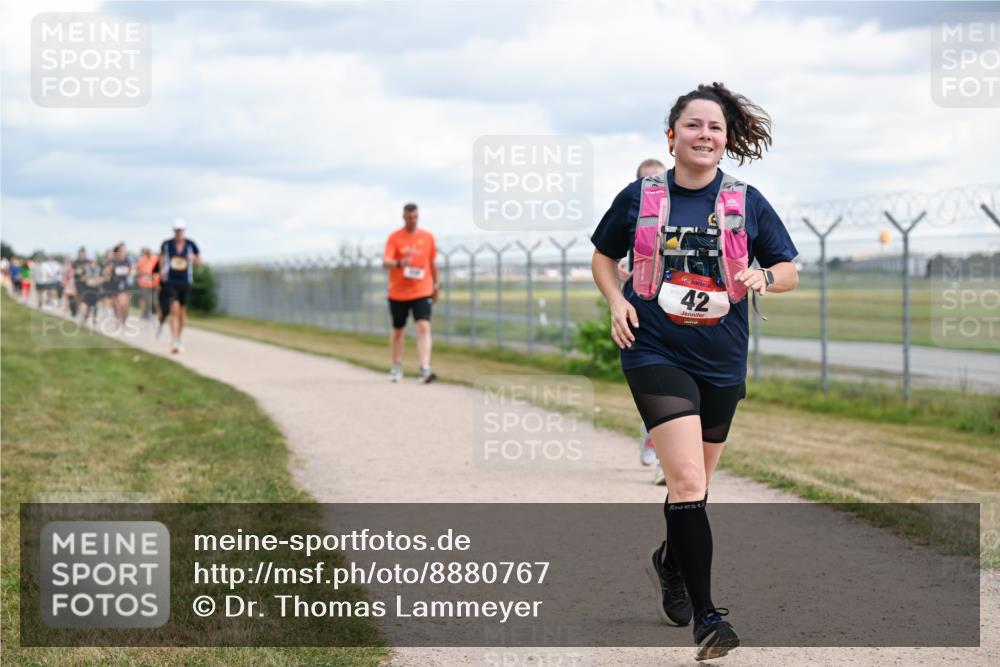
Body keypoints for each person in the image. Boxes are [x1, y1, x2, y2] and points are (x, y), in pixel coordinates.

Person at [590, 82, 799, 661]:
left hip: (722, 357)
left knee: (696, 487)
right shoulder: (640, 196)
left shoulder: (746, 201)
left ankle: (669, 561)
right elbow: (604, 256)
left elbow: (788, 269)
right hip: (653, 348)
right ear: (671, 136)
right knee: (684, 480)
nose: (704, 135)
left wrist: (764, 277)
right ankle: (709, 619)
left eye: (714, 128)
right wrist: (616, 301)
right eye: (693, 125)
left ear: (725, 140)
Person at [382, 202, 439, 383]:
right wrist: (399, 263)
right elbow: (385, 262)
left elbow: (432, 263)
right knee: (398, 329)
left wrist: (436, 285)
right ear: (403, 217)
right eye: (409, 217)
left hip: (422, 289)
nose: (413, 220)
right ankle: (396, 366)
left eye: (415, 217)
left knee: (423, 326)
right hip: (398, 291)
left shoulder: (428, 237)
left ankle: (425, 368)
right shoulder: (395, 238)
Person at [159, 219, 202, 353]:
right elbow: (161, 259)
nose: (179, 233)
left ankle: (179, 337)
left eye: (181, 230)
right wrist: (161, 270)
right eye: (177, 230)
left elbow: (200, 262)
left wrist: (193, 258)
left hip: (185, 281)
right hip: (171, 281)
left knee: (182, 312)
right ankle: (174, 340)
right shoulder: (166, 244)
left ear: (184, 231)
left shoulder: (191, 245)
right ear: (174, 231)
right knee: (174, 309)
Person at [105, 243, 133, 326]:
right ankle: (118, 319)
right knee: (116, 304)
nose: (123, 252)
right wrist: (108, 272)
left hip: (124, 284)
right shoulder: (113, 261)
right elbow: (106, 271)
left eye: (124, 250)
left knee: (124, 304)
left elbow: (132, 270)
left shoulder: (127, 260)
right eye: (121, 250)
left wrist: (132, 272)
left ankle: (124, 319)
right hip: (114, 284)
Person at [135, 247, 158, 320]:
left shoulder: (155, 258)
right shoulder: (141, 260)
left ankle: (153, 314)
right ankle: (145, 315)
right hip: (144, 284)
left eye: (147, 252)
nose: (146, 254)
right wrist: (143, 274)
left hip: (154, 283)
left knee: (154, 300)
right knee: (146, 300)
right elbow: (138, 270)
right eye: (144, 253)